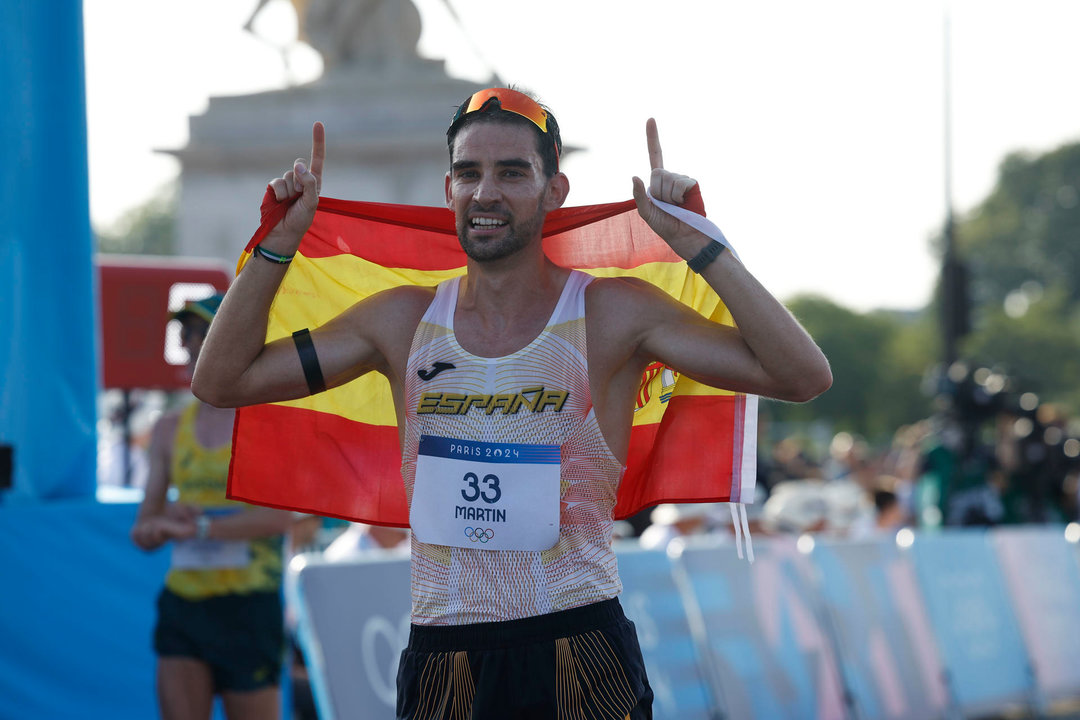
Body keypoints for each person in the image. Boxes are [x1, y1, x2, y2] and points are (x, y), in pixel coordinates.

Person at [192, 87, 832, 718]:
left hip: (578, 648)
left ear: (555, 191)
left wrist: (701, 246)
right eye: (467, 173)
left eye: (512, 172)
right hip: (446, 657)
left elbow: (801, 374)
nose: (485, 193)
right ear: (448, 192)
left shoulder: (611, 313)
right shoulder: (401, 321)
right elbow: (222, 381)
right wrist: (280, 243)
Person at [131, 293, 297, 720]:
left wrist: (201, 529)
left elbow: (280, 518)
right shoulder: (168, 429)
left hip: (249, 606)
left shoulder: (267, 421)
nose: (189, 344)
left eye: (202, 332)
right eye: (185, 333)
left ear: (234, 339)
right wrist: (159, 528)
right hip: (185, 604)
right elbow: (143, 527)